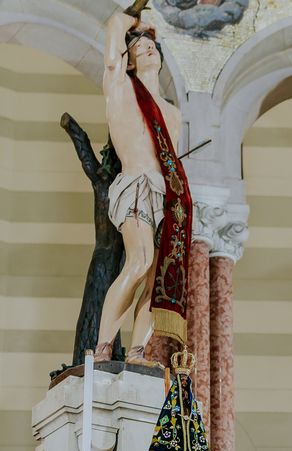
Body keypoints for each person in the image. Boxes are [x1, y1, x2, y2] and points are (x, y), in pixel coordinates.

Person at [94, 7, 189, 364]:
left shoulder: (173, 114)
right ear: (128, 61)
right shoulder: (120, 87)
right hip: (134, 185)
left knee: (154, 277)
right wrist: (132, 23)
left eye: (152, 45)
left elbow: (170, 161)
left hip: (165, 196)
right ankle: (102, 348)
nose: (149, 48)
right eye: (139, 47)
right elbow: (114, 27)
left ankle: (137, 352)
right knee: (141, 260)